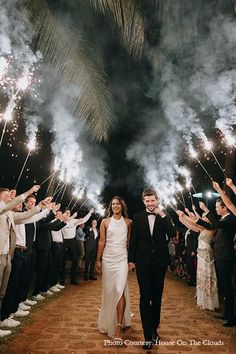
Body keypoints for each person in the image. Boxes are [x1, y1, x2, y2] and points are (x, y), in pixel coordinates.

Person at [128, 188, 175, 350]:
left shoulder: (164, 216)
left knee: (157, 297)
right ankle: (147, 335)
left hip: (160, 262)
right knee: (144, 296)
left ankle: (154, 328)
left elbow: (173, 233)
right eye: (147, 201)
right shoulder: (137, 217)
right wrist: (131, 260)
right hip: (142, 262)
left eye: (153, 200)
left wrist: (163, 215)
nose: (150, 203)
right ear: (143, 201)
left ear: (157, 200)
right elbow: (133, 241)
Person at [96, 196, 132, 341]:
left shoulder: (129, 222)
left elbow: (129, 243)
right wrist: (97, 260)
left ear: (122, 206)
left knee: (119, 290)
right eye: (113, 204)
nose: (116, 206)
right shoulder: (105, 222)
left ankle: (118, 327)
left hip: (122, 259)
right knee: (110, 291)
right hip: (107, 259)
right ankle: (110, 319)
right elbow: (101, 241)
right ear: (111, 207)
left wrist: (131, 261)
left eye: (118, 204)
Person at [197, 200, 236, 327]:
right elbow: (211, 226)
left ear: (225, 208)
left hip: (226, 257)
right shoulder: (224, 220)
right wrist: (197, 220)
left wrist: (206, 210)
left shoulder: (230, 219)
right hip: (220, 256)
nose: (216, 209)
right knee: (224, 286)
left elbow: (216, 224)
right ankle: (226, 313)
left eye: (217, 207)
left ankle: (232, 317)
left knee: (227, 287)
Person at [177, 209, 219, 311]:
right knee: (201, 276)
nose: (203, 218)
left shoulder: (211, 228)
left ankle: (209, 302)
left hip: (206, 255)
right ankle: (202, 300)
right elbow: (191, 226)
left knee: (207, 276)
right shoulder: (203, 229)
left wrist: (186, 216)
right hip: (200, 255)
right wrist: (183, 218)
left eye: (205, 217)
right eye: (203, 216)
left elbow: (196, 223)